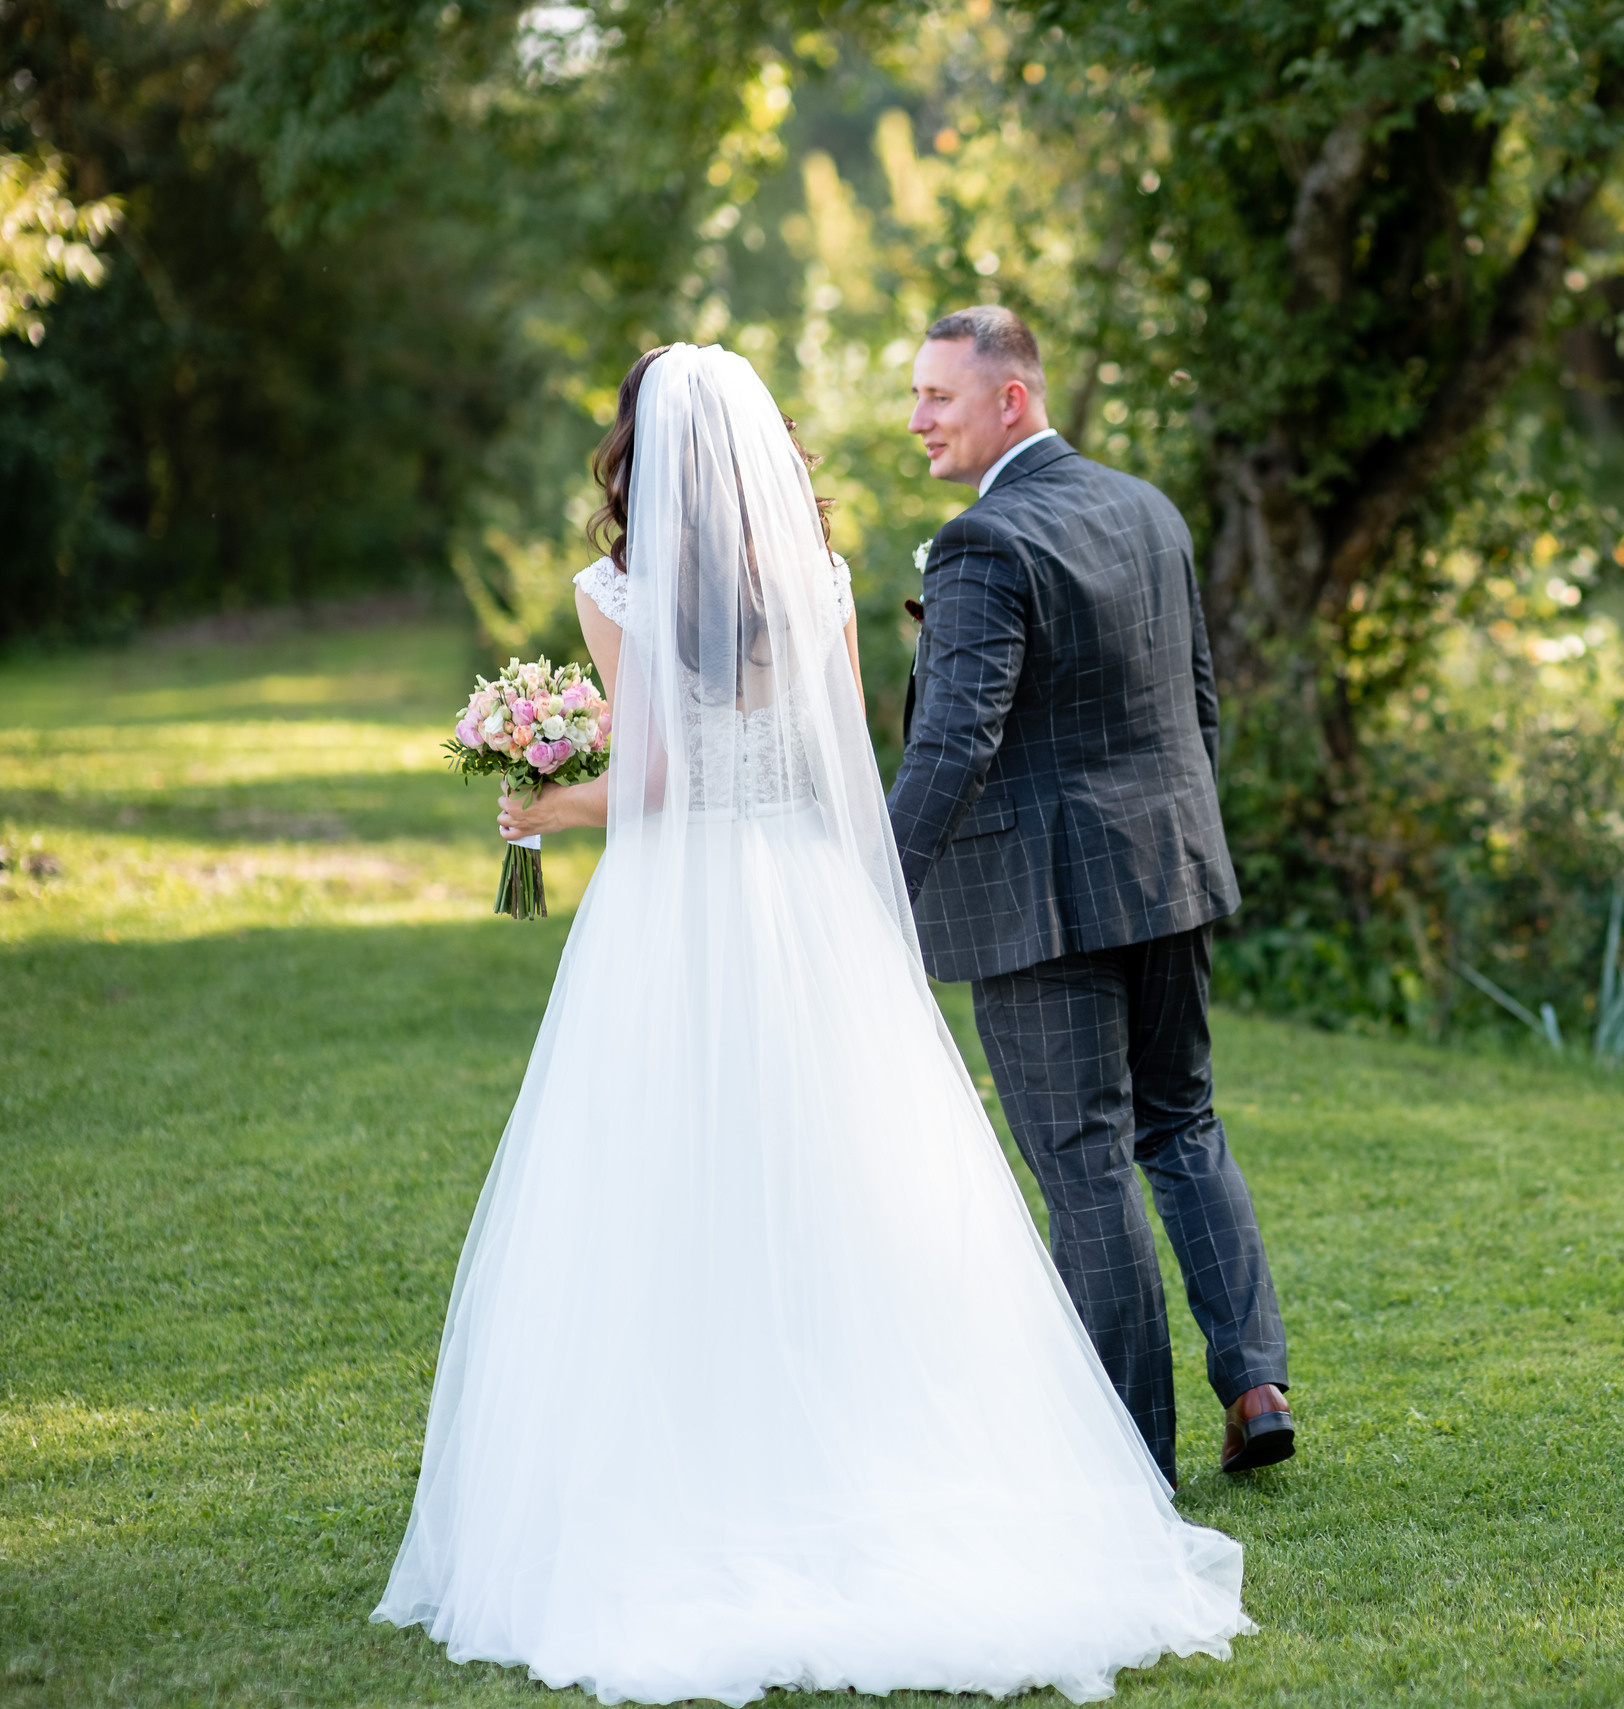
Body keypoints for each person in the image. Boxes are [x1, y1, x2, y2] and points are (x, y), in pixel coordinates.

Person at [372, 343, 1252, 1706]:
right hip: (809, 899)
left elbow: (659, 778)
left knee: (668, 1185)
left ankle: (704, 1465)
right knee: (849, 1181)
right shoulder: (827, 584)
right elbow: (844, 762)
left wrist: (551, 801)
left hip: (678, 913)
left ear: (642, 457)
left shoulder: (618, 593)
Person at [889, 306, 1293, 1483]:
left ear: (1009, 398)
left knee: (1083, 1159)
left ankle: (1125, 1454)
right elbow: (1199, 703)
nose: (916, 418)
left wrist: (872, 888)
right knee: (1183, 1122)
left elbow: (950, 747)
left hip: (1040, 904)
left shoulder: (981, 543)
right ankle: (1256, 1381)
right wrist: (1180, 841)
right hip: (1167, 871)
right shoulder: (1145, 506)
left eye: (937, 397)